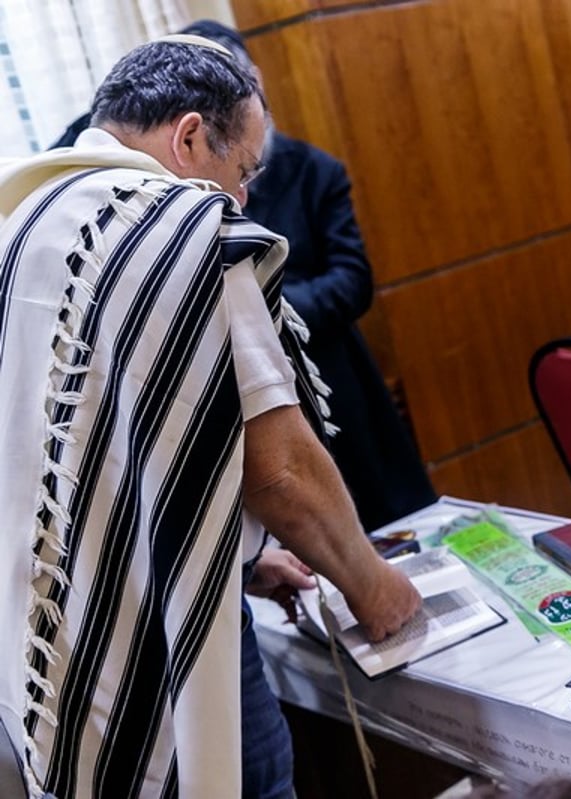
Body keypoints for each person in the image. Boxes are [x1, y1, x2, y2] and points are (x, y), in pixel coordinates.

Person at [0, 35, 421, 798]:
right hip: (161, 640)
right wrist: (372, 587)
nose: (244, 199)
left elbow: (93, 435)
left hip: (43, 635)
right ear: (191, 137)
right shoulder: (185, 238)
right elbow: (280, 469)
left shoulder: (25, 223)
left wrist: (241, 555)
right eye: (245, 170)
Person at [51, 19, 438, 532]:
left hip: (323, 371)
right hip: (205, 391)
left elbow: (352, 279)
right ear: (189, 134)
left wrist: (260, 315)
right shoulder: (103, 170)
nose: (241, 197)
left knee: (363, 521)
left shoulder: (312, 169)